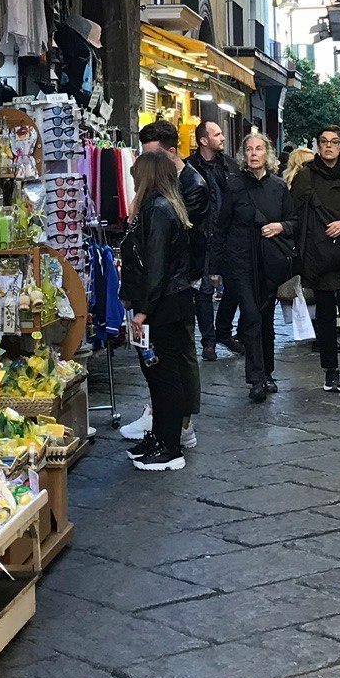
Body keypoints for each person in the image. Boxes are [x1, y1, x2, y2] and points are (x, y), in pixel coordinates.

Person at [116, 146, 196, 471]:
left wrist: (142, 311)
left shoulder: (158, 210)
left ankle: (170, 446)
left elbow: (156, 267)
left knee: (164, 374)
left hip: (162, 306)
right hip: (164, 303)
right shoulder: (157, 207)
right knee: (157, 373)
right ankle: (161, 437)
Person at [290, 125, 340, 393]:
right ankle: (330, 370)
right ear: (318, 145)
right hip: (318, 255)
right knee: (325, 314)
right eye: (324, 141)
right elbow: (296, 212)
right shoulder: (305, 177)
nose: (328, 146)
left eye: (334, 142)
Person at [214, 130, 295, 403]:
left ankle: (268, 372)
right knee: (250, 317)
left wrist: (280, 226)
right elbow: (222, 225)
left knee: (266, 320)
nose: (253, 154)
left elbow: (293, 221)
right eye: (249, 150)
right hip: (240, 261)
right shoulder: (234, 185)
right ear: (243, 156)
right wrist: (216, 266)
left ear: (267, 154)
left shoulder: (279, 186)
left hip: (269, 261)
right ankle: (255, 378)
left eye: (258, 149)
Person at [187, 117, 237, 362]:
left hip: (228, 236)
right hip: (201, 237)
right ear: (203, 140)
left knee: (235, 286)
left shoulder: (229, 166)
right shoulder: (188, 169)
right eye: (217, 134)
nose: (223, 137)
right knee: (204, 291)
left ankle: (223, 331)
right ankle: (208, 342)